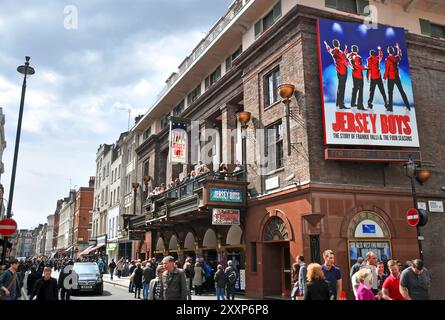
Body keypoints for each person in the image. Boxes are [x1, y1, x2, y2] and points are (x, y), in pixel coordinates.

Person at [384, 43, 411, 111]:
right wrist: (398, 48)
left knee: (390, 93)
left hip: (390, 78)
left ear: (388, 52)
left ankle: (390, 108)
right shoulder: (396, 58)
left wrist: (384, 78)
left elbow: (387, 69)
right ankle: (408, 107)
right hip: (396, 77)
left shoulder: (387, 59)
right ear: (393, 51)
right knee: (401, 91)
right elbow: (400, 55)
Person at [324, 39, 350, 109]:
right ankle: (341, 104)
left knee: (340, 87)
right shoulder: (340, 52)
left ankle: (338, 103)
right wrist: (352, 67)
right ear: (339, 44)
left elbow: (328, 49)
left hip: (338, 71)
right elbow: (345, 61)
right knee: (342, 88)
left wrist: (326, 44)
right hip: (343, 71)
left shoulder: (333, 51)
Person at [348, 45, 367, 109]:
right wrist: (366, 68)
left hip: (354, 74)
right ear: (357, 50)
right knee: (360, 90)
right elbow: (359, 66)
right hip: (359, 75)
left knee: (355, 88)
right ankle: (360, 105)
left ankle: (352, 103)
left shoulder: (350, 56)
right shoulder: (357, 57)